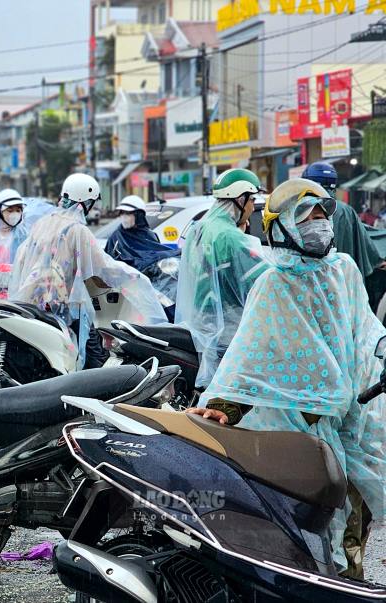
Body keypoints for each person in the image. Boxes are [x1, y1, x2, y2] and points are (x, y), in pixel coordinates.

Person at [190, 178, 385, 579]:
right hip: (296, 428)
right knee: (310, 523)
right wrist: (224, 407)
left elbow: (367, 333)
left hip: (351, 417)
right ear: (281, 226)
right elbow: (250, 357)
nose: (318, 223)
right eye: (306, 216)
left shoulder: (343, 271)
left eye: (321, 214)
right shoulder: (273, 284)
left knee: (354, 519)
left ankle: (349, 580)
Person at [10, 174, 167, 368]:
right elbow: (102, 267)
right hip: (65, 309)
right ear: (84, 202)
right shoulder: (77, 230)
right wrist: (134, 277)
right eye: (92, 203)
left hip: (33, 302)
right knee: (93, 359)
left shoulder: (44, 223)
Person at [174, 168, 269, 389]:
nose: (252, 206)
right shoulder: (230, 237)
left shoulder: (201, 228)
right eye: (251, 199)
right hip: (229, 327)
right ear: (239, 199)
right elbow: (263, 277)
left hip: (204, 323)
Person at [303, 162, 386, 311]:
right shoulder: (346, 211)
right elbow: (366, 243)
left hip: (307, 291)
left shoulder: (299, 210)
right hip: (344, 292)